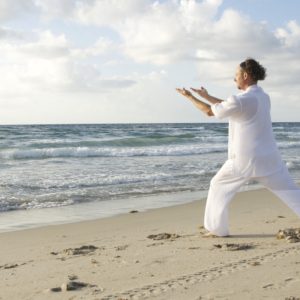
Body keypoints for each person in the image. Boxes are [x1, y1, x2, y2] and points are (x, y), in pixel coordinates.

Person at [176, 58, 300, 237]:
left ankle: (217, 230)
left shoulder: (241, 100)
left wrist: (190, 97)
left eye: (236, 75)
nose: (234, 79)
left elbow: (210, 111)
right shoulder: (262, 97)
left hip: (244, 161)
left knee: (217, 186)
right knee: (290, 191)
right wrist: (207, 96)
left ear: (245, 75)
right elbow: (230, 106)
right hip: (270, 159)